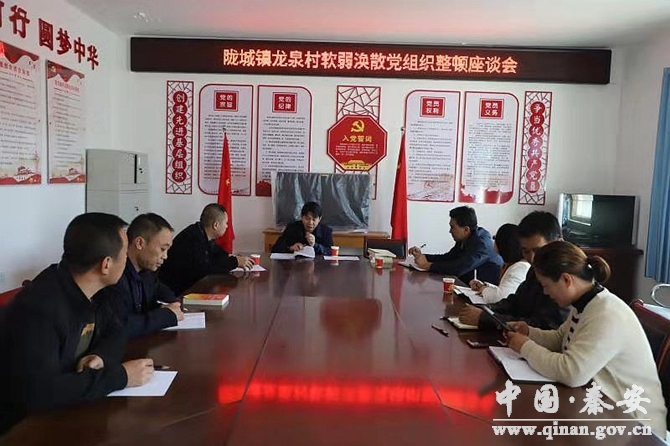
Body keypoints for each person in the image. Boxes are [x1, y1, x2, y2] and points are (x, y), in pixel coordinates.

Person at [0, 213, 154, 435]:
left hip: (65, 410)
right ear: (106, 264)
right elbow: (39, 392)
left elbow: (116, 331)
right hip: (22, 428)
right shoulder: (39, 308)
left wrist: (100, 356)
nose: (127, 261)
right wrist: (120, 377)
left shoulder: (97, 291)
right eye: (124, 255)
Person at [506, 241, 667, 437]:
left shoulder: (606, 313)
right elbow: (560, 339)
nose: (545, 292)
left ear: (566, 280)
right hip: (603, 409)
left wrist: (526, 347)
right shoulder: (586, 303)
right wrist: (529, 332)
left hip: (635, 427)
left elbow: (572, 372)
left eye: (546, 286)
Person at [458, 211, 569, 330]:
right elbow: (516, 303)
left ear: (559, 243)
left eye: (538, 250)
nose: (532, 258)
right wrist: (486, 308)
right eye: (526, 251)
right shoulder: (535, 269)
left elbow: (545, 326)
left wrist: (486, 318)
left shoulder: (566, 277)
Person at [107, 213, 184, 338]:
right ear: (139, 243)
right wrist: (166, 315)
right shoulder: (115, 276)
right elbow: (121, 325)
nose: (165, 256)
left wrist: (174, 305)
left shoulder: (146, 272)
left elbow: (161, 292)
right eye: (162, 249)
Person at [158, 204, 254, 294]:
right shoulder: (193, 237)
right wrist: (234, 262)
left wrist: (233, 257)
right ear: (216, 225)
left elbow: (216, 253)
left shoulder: (201, 232)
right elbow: (204, 270)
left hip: (190, 288)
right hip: (176, 292)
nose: (227, 226)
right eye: (226, 223)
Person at [408, 206, 502, 284]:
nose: (450, 231)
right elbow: (449, 257)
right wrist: (423, 256)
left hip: (486, 291)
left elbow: (458, 268)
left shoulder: (482, 244)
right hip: (468, 283)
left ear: (466, 229)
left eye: (452, 227)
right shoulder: (466, 237)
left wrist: (428, 265)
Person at [469, 223, 530, 304]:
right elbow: (504, 289)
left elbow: (501, 297)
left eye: (495, 238)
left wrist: (483, 289)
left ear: (503, 243)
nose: (493, 241)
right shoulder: (512, 264)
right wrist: (484, 286)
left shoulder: (520, 267)